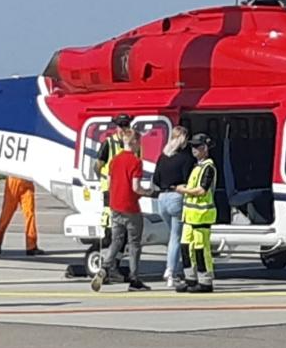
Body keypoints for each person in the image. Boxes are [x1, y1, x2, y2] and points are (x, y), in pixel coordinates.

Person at [91, 129, 151, 292]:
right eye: (139, 143)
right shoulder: (136, 162)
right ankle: (134, 278)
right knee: (134, 244)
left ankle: (104, 268)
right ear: (134, 143)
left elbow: (109, 183)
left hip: (115, 206)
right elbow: (136, 187)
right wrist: (148, 192)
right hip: (130, 207)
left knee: (116, 240)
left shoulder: (114, 161)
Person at [151, 125, 194, 288]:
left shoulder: (163, 157)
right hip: (177, 196)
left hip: (162, 198)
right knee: (177, 237)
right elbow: (187, 178)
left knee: (173, 236)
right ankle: (171, 270)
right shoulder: (186, 158)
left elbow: (156, 179)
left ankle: (174, 267)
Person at [174, 134, 217, 293]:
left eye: (197, 147)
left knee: (201, 248)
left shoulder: (208, 167)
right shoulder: (197, 166)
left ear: (205, 148)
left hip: (202, 215)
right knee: (186, 247)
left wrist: (183, 189)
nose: (194, 150)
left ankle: (205, 281)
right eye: (192, 146)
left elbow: (201, 190)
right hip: (190, 216)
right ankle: (190, 278)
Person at [93, 114, 133, 250]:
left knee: (125, 223)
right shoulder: (109, 143)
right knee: (110, 218)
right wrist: (105, 178)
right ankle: (107, 245)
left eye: (125, 126)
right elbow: (97, 165)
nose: (123, 129)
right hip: (110, 188)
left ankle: (116, 258)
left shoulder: (133, 144)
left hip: (126, 189)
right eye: (120, 126)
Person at [0, 176, 43, 256]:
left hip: (27, 180)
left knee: (29, 213)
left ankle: (31, 245)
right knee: (7, 213)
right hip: (13, 179)